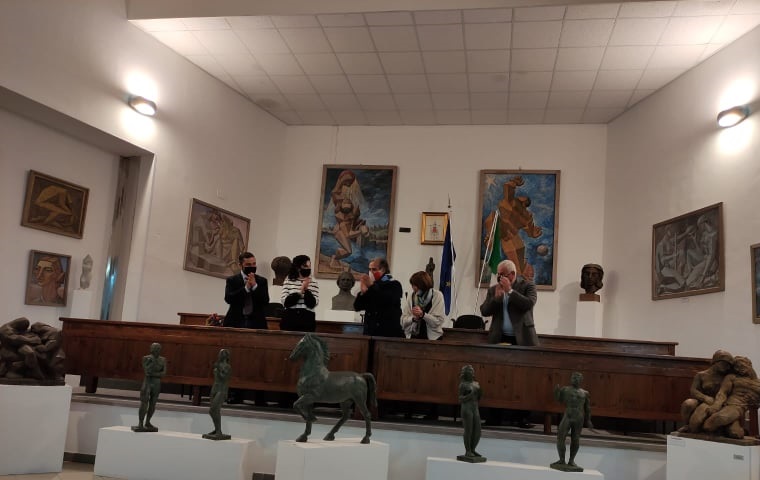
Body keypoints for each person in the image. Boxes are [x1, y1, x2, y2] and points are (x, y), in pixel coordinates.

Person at [483, 175, 542, 281]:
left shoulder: (527, 216)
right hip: (499, 227)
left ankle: (520, 271)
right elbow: (508, 190)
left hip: (510, 235)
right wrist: (513, 183)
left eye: (525, 200)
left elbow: (530, 230)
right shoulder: (512, 203)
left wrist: (534, 233)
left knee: (520, 248)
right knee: (492, 221)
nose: (523, 199)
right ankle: (491, 240)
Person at [480, 259, 539, 346]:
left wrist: (510, 291)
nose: (499, 278)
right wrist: (495, 299)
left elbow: (529, 304)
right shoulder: (493, 289)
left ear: (512, 274)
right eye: (498, 274)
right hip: (499, 337)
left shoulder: (528, 286)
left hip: (523, 338)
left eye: (502, 275)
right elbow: (484, 311)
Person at [701, 356, 760, 438]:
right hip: (730, 405)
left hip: (742, 409)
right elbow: (723, 392)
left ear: (749, 364)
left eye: (740, 365)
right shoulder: (732, 377)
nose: (738, 369)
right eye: (736, 367)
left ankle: (724, 428)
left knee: (737, 434)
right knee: (713, 422)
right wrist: (716, 405)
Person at [678, 349, 734, 433]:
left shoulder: (727, 377)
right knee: (688, 403)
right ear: (716, 362)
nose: (727, 367)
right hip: (703, 401)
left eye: (729, 365)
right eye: (725, 364)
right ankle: (687, 425)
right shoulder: (701, 375)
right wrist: (705, 398)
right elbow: (693, 390)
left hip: (720, 403)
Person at [551, 372, 592, 472]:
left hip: (579, 417)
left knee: (576, 439)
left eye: (577, 378)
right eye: (573, 377)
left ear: (581, 380)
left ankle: (571, 460)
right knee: (560, 437)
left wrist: (588, 420)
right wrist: (556, 392)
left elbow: (587, 408)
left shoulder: (585, 393)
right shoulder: (565, 389)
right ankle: (562, 460)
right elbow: (559, 400)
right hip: (568, 416)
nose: (575, 379)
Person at [354, 257, 404, 338]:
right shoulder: (373, 285)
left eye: (374, 269)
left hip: (387, 333)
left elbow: (385, 300)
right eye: (369, 269)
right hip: (370, 332)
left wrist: (371, 286)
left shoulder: (394, 284)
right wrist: (362, 293)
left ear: (383, 270)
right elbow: (357, 306)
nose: (371, 272)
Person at [223, 252, 270, 330]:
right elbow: (228, 299)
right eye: (248, 265)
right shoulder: (232, 280)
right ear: (240, 265)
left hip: (257, 322)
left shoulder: (262, 281)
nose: (252, 266)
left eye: (254, 264)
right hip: (235, 321)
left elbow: (265, 301)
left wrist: (255, 286)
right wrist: (246, 288)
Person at [401, 271, 445, 340]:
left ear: (422, 285)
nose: (412, 287)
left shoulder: (437, 296)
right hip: (413, 336)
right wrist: (413, 318)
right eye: (412, 285)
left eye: (414, 285)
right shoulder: (411, 296)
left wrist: (423, 314)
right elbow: (403, 321)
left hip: (433, 339)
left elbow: (438, 322)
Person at [132, 342, 166, 432]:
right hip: (147, 383)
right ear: (151, 349)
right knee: (144, 403)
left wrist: (154, 374)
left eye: (157, 348)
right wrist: (156, 373)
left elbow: (163, 373)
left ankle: (148, 422)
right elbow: (147, 372)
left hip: (156, 383)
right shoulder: (146, 358)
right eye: (154, 348)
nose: (155, 350)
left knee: (153, 404)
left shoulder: (163, 360)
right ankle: (140, 423)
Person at [280, 255, 319, 332]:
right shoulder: (288, 281)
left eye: (309, 266)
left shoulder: (313, 282)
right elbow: (285, 302)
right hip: (290, 319)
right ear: (298, 267)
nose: (308, 269)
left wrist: (306, 290)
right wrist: (300, 292)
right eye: (305, 266)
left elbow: (313, 304)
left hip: (307, 320)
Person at [457, 365, 485, 462]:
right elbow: (460, 399)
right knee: (468, 430)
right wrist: (470, 395)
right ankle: (468, 450)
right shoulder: (463, 385)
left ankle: (473, 449)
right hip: (467, 408)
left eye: (472, 371)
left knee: (478, 430)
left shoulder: (476, 383)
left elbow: (478, 398)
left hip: (475, 408)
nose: (472, 373)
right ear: (465, 373)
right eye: (469, 371)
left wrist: (480, 393)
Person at [203, 349, 232, 440]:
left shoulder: (227, 367)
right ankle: (217, 430)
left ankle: (218, 431)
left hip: (222, 389)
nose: (220, 355)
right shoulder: (218, 365)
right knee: (214, 411)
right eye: (220, 354)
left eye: (222, 354)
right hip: (215, 388)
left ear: (226, 356)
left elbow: (224, 378)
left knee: (213, 409)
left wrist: (218, 369)